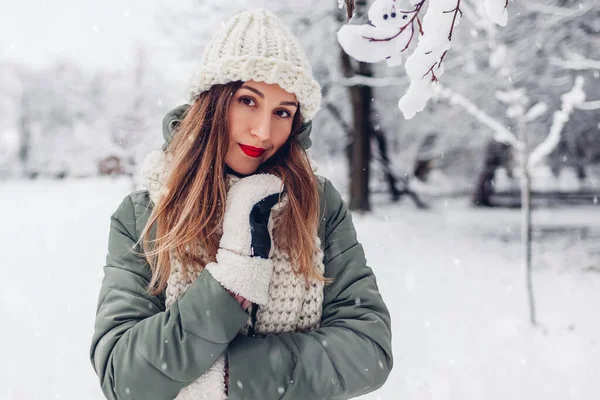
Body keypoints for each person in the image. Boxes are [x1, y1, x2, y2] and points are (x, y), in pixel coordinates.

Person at [90, 8, 393, 400]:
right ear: (212, 102)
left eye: (282, 112)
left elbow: (368, 349)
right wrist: (233, 276)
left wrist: (232, 378)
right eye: (248, 100)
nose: (264, 131)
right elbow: (123, 376)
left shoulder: (317, 204)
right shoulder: (146, 212)